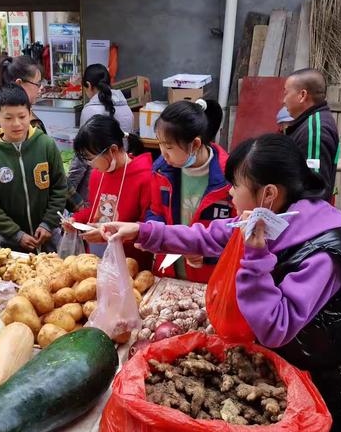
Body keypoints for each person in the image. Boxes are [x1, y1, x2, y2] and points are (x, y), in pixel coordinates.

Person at [84, 134, 341, 432]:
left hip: (339, 381)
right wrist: (143, 231)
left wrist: (254, 261)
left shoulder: (322, 256)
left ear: (268, 194)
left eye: (235, 186)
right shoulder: (271, 219)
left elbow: (276, 326)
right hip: (300, 363)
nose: (229, 193)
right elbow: (210, 236)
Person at [0, 84, 82, 252]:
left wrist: (48, 223)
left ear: (30, 113)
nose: (16, 124)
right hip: (11, 242)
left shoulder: (46, 145)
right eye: (8, 118)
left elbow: (59, 187)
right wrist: (16, 234)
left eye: (22, 116)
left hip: (50, 236)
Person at [145, 99, 234, 283]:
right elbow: (156, 211)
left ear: (194, 144)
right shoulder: (161, 171)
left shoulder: (230, 178)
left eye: (169, 147)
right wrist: (150, 232)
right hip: (168, 273)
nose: (163, 153)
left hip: (210, 279)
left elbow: (237, 234)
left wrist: (207, 256)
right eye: (160, 144)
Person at [0, 54, 46, 246]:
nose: (40, 90)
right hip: (10, 226)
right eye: (37, 84)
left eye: (22, 116)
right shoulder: (25, 124)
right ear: (20, 83)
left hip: (10, 225)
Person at [65, 114, 152, 268]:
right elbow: (96, 210)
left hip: (130, 263)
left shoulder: (145, 177)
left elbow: (147, 229)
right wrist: (77, 220)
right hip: (97, 259)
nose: (89, 164)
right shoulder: (98, 174)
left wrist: (107, 236)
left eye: (91, 158)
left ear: (112, 150)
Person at [68, 64, 133, 200]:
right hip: (122, 177)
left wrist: (70, 187)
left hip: (95, 180)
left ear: (88, 85)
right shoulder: (127, 108)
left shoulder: (90, 111)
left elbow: (82, 157)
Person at [283, 68, 339, 200]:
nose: (283, 100)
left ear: (302, 95)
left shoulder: (314, 129)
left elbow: (314, 190)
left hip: (305, 218)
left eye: (286, 93)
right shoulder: (311, 123)